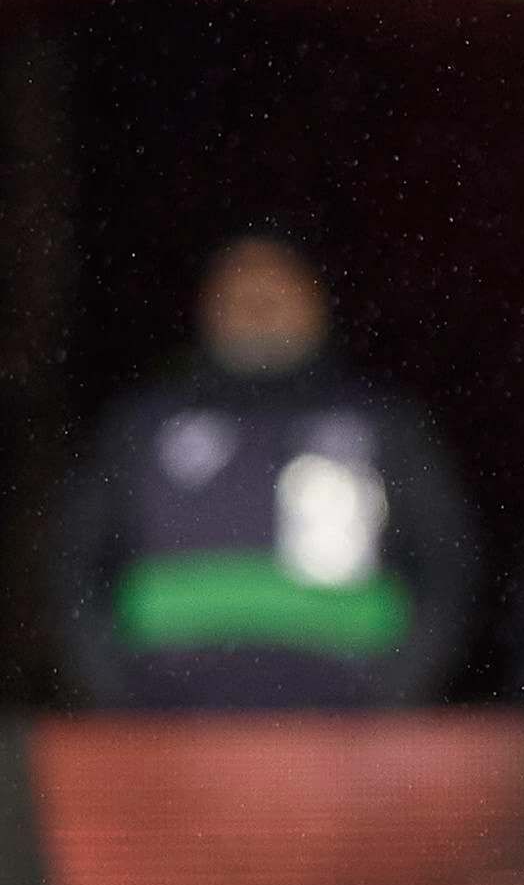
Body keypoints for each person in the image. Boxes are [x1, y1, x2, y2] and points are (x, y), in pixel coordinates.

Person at [57, 226, 476, 711]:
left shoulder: (382, 425)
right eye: (240, 288)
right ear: (206, 304)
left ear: (317, 300)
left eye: (277, 286)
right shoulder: (143, 425)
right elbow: (78, 565)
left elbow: (445, 566)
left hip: (346, 729)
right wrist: (116, 693)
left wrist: (394, 689)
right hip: (170, 726)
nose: (258, 305)